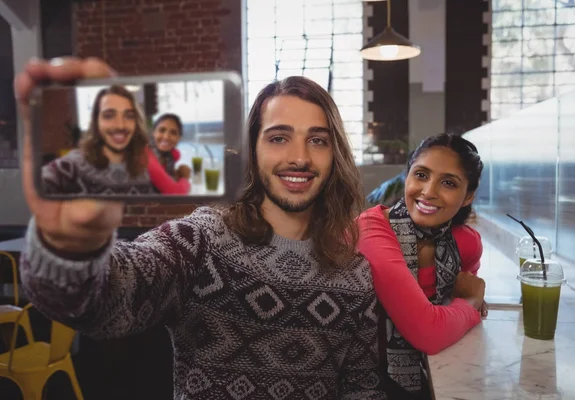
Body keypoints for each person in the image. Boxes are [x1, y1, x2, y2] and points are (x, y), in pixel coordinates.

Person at [16, 57, 386, 399]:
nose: (300, 157)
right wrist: (69, 246)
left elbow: (363, 390)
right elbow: (106, 302)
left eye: (317, 140)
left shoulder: (354, 276)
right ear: (253, 152)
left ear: (333, 155)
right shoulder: (203, 241)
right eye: (278, 137)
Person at [358, 133, 487, 398]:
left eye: (448, 183)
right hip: (359, 381)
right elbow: (428, 331)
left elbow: (457, 302)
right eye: (421, 175)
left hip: (433, 377)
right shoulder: (371, 231)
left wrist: (464, 304)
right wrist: (471, 303)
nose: (428, 192)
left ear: (468, 196)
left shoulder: (467, 244)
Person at [41, 84, 154, 196]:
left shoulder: (144, 170)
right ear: (96, 122)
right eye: (109, 116)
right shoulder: (73, 166)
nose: (120, 125)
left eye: (129, 116)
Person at [146, 113, 192, 194]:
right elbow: (175, 193)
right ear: (153, 133)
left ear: (179, 138)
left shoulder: (170, 156)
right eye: (162, 130)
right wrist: (185, 178)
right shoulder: (147, 156)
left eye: (173, 133)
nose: (166, 137)